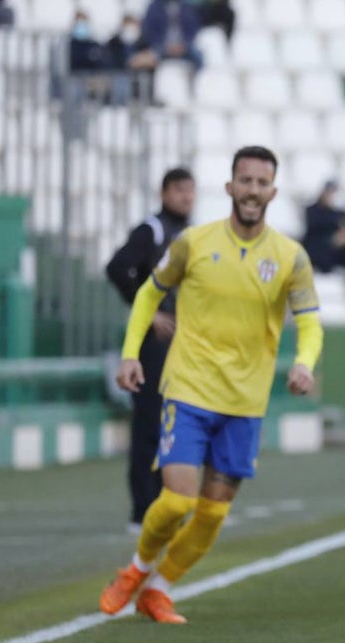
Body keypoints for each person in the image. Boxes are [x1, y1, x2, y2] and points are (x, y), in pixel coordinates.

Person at [98, 146, 323, 624]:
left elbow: (310, 322)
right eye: (245, 181)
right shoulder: (192, 243)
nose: (253, 191)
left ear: (273, 192)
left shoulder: (290, 258)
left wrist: (304, 363)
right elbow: (147, 294)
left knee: (213, 514)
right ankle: (135, 570)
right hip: (189, 389)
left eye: (262, 183)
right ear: (229, 187)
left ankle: (159, 590)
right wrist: (130, 353)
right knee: (177, 499)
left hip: (245, 402)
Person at [105, 167, 195, 533]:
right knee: (150, 421)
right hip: (152, 342)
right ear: (164, 194)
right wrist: (148, 308)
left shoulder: (188, 234)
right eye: (179, 191)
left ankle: (167, 506)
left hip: (180, 340)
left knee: (174, 421)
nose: (186, 197)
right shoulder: (152, 229)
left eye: (190, 191)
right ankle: (142, 510)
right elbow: (117, 267)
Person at [105, 12, 159, 104]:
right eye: (128, 25)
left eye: (133, 25)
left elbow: (151, 59)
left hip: (141, 78)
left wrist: (141, 61)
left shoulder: (143, 42)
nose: (131, 28)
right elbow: (110, 62)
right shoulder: (113, 43)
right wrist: (130, 62)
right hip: (120, 77)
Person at [141, 0, 204, 71]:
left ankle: (197, 79)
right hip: (161, 46)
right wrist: (165, 46)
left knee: (198, 56)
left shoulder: (187, 7)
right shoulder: (154, 7)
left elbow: (193, 29)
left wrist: (184, 45)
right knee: (148, 59)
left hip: (183, 46)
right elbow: (149, 31)